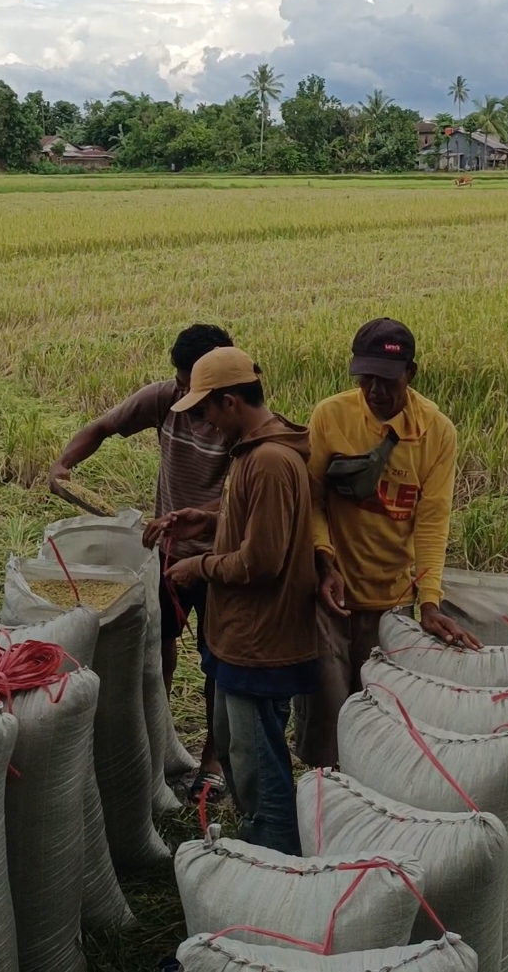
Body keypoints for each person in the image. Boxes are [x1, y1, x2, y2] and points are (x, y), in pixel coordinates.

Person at [50, 323, 233, 799]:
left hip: (220, 562)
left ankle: (212, 761)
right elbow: (103, 427)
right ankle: (156, 742)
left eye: (192, 384)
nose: (181, 392)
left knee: (219, 664)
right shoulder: (165, 398)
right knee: (156, 651)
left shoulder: (239, 422)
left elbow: (247, 501)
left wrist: (199, 518)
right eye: (178, 381)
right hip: (165, 555)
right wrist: (63, 466)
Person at [294, 318, 480, 768]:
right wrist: (324, 560)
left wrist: (429, 601)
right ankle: (326, 799)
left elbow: (432, 521)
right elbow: (312, 501)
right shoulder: (330, 416)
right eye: (366, 378)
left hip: (390, 602)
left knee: (380, 718)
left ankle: (371, 800)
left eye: (387, 380)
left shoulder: (436, 432)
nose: (375, 390)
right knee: (328, 715)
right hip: (330, 597)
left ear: (411, 374)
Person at [165, 347, 318, 855]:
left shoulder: (270, 461)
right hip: (240, 642)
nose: (204, 421)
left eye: (205, 409)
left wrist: (198, 567)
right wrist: (208, 522)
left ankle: (278, 871)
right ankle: (258, 846)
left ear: (230, 401)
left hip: (261, 645)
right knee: (240, 756)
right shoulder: (255, 454)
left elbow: (263, 561)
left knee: (261, 776)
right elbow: (256, 529)